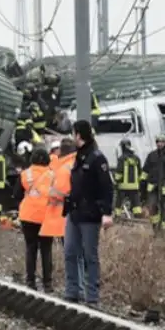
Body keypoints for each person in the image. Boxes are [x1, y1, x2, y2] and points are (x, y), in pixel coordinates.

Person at [63, 120, 114, 306]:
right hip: (74, 213)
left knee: (89, 256)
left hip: (90, 215)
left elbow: (107, 187)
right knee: (69, 252)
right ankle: (72, 292)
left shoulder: (97, 158)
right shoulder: (80, 156)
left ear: (78, 135)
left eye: (73, 133)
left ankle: (91, 296)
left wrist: (107, 213)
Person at [40, 138, 77, 289]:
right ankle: (77, 286)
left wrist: (49, 192)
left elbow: (56, 192)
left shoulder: (62, 168)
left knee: (49, 249)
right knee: (73, 251)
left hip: (58, 215)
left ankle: (51, 283)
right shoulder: (77, 164)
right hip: (71, 215)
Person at [15, 148, 52, 291]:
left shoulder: (25, 174)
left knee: (31, 248)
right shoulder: (52, 175)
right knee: (46, 249)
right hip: (46, 216)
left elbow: (17, 194)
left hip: (28, 216)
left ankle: (30, 281)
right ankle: (47, 284)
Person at [142, 134, 165, 232]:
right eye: (158, 141)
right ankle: (155, 228)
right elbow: (145, 170)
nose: (160, 144)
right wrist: (142, 183)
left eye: (162, 142)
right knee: (153, 207)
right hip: (153, 187)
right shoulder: (151, 155)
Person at [113, 139, 142, 218]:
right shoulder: (136, 158)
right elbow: (140, 172)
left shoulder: (121, 158)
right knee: (136, 202)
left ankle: (117, 216)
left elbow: (119, 173)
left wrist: (116, 181)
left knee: (119, 202)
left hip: (123, 186)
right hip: (134, 186)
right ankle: (138, 216)